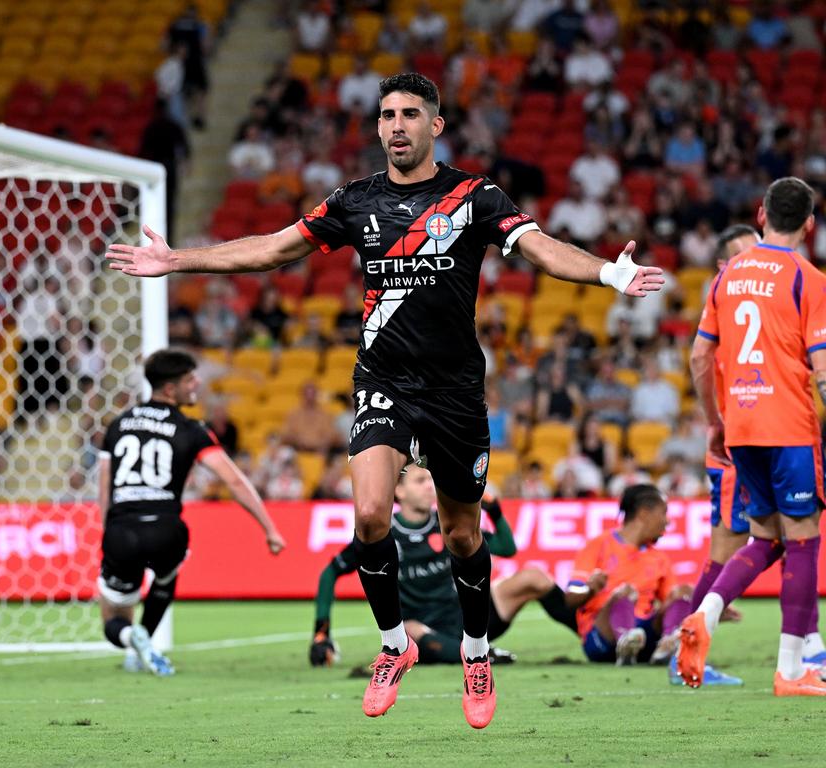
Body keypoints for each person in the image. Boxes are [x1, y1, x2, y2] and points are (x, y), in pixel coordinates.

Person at [105, 72, 663, 728]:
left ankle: (476, 653)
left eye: (408, 114)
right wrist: (179, 261)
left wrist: (607, 271)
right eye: (386, 115)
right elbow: (272, 251)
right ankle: (393, 645)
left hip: (455, 391)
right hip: (383, 381)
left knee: (461, 533)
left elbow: (539, 249)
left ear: (435, 125)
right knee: (371, 515)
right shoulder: (354, 201)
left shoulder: (473, 196)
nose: (395, 125)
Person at [683, 177, 826, 695]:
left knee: (765, 537)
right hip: (788, 423)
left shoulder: (726, 277)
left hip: (739, 424)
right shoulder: (808, 278)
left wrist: (716, 420)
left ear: (761, 215)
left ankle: (706, 614)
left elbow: (700, 356)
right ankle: (793, 671)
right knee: (805, 538)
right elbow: (824, 369)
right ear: (809, 224)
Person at [96, 349, 286, 676]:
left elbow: (104, 489)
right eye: (189, 379)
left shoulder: (118, 425)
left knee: (113, 618)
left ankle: (132, 638)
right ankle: (146, 641)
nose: (197, 383)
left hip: (122, 530)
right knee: (166, 575)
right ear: (170, 389)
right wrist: (269, 527)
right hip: (166, 530)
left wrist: (107, 533)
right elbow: (235, 482)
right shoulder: (191, 429)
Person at [309, 466, 577, 667]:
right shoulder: (382, 534)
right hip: (426, 631)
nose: (429, 486)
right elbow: (329, 573)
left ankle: (590, 634)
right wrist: (322, 633)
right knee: (409, 630)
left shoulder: (447, 523)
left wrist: (494, 512)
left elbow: (507, 548)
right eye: (420, 480)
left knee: (534, 577)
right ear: (398, 491)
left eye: (430, 479)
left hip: (465, 614)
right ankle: (484, 655)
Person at [564, 485, 741, 683]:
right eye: (663, 513)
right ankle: (625, 640)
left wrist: (711, 609)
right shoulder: (597, 545)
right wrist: (590, 588)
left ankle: (668, 644)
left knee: (684, 591)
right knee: (625, 592)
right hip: (602, 638)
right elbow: (570, 596)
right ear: (644, 513)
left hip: (645, 639)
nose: (667, 521)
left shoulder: (659, 559)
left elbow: (675, 603)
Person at [689, 224, 760, 625]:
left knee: (780, 538)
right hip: (734, 447)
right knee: (726, 549)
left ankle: (712, 600)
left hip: (756, 440)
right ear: (722, 266)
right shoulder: (726, 308)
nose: (756, 263)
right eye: (745, 255)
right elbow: (701, 362)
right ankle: (684, 639)